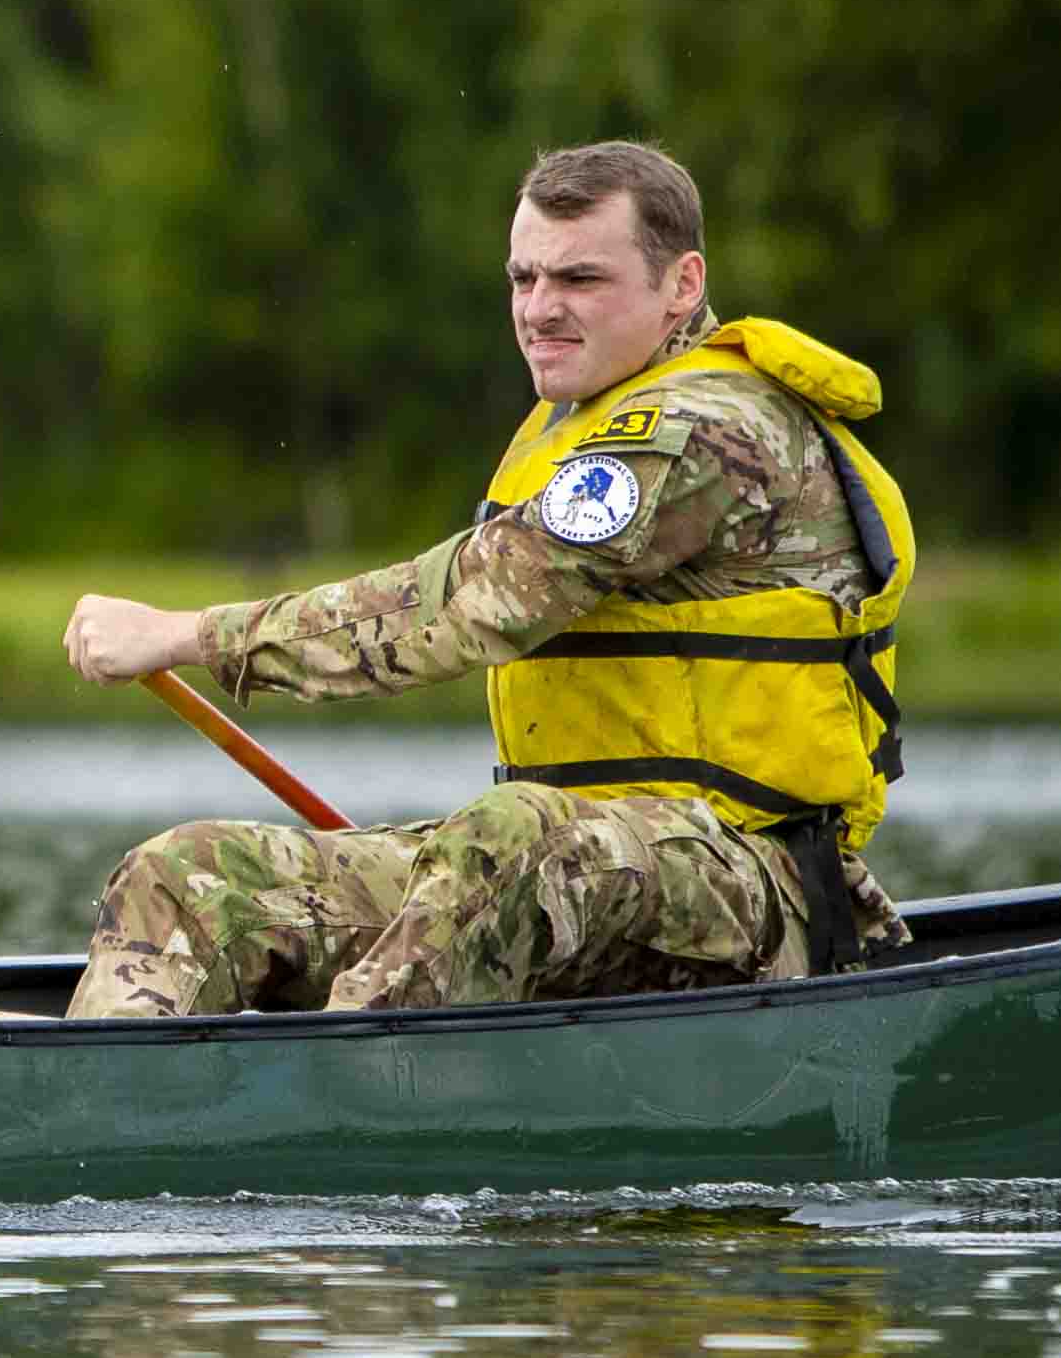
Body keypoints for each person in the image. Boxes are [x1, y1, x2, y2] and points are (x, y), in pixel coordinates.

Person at [54, 138, 916, 1017]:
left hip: (753, 890)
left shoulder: (704, 429)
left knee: (509, 835)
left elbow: (468, 604)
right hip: (564, 878)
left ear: (682, 286)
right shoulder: (578, 418)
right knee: (190, 875)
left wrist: (188, 636)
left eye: (579, 280)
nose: (540, 309)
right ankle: (96, 1119)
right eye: (523, 279)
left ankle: (347, 1093)